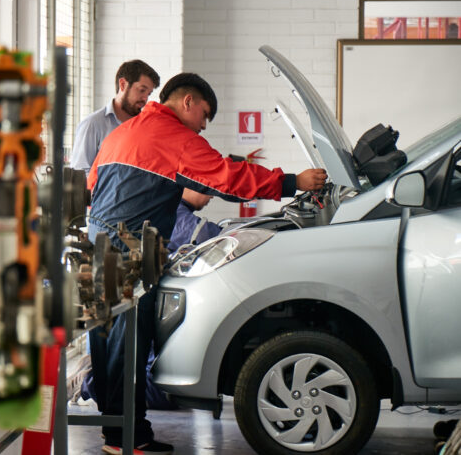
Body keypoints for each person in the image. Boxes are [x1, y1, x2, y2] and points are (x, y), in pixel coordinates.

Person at [86, 72, 327, 455]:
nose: (203, 125)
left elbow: (92, 184)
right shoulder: (174, 137)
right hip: (131, 245)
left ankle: (115, 432)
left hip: (97, 241)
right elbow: (227, 179)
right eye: (205, 114)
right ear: (187, 102)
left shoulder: (124, 132)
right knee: (130, 343)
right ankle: (126, 439)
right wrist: (292, 181)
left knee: (106, 340)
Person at [70, 59, 160, 175]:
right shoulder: (93, 124)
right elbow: (79, 174)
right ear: (123, 84)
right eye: (141, 90)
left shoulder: (147, 126)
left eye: (148, 94)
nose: (145, 99)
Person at [166, 188, 222, 253]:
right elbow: (203, 233)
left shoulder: (171, 205)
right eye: (207, 189)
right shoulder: (174, 210)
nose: (211, 196)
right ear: (188, 186)